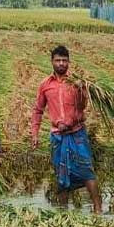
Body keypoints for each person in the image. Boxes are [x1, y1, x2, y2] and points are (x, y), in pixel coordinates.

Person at [30, 45, 102, 213]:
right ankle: (63, 212)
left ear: (69, 62)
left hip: (77, 133)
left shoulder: (76, 82)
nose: (61, 63)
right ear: (52, 62)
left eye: (64, 60)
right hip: (57, 136)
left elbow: (83, 106)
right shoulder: (45, 85)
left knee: (87, 170)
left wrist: (82, 90)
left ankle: (98, 209)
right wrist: (35, 134)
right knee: (61, 174)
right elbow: (38, 110)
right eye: (58, 60)